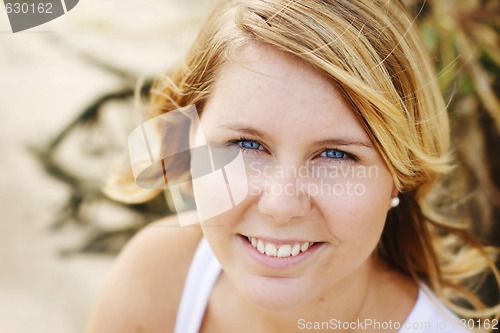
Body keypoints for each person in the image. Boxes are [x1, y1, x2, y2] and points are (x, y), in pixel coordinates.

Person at [86, 0, 500, 332]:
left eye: (336, 155)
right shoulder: (158, 276)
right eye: (246, 144)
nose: (281, 206)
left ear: (399, 177)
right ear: (185, 146)